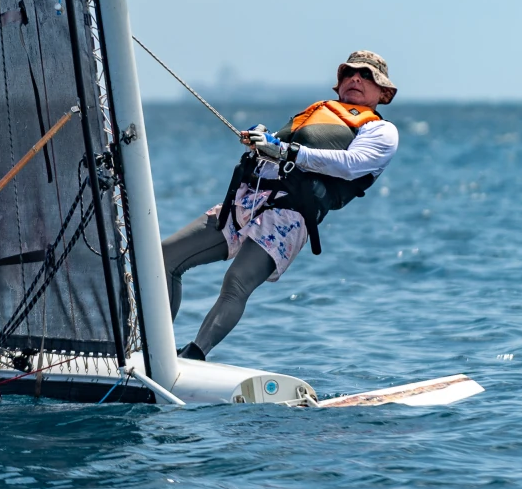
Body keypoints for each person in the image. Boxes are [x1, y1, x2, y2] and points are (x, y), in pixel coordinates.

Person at [161, 50, 400, 361]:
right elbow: (279, 147)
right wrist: (264, 139)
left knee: (236, 282)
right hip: (247, 199)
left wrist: (286, 151)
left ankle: (193, 355)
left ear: (383, 92)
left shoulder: (381, 131)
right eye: (349, 73)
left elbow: (351, 164)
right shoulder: (317, 111)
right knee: (165, 257)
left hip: (289, 215)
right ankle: (155, 349)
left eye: (366, 75)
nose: (355, 78)